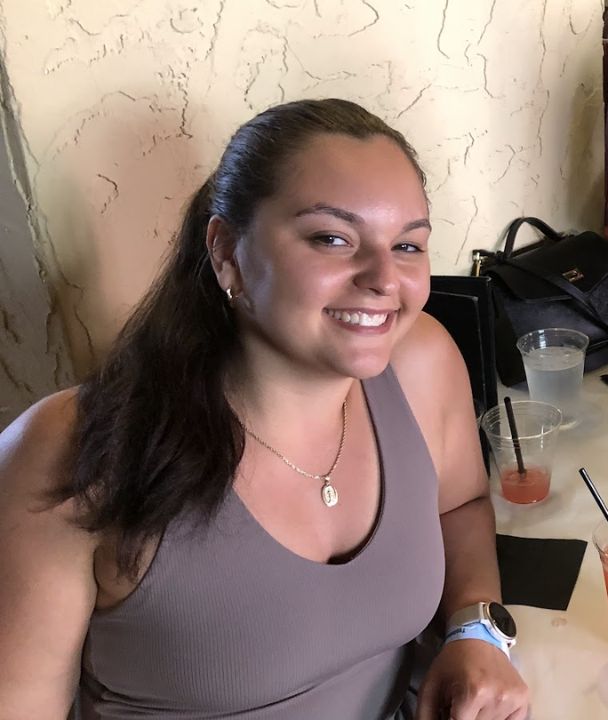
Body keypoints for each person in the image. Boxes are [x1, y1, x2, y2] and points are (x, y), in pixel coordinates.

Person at [0, 99, 529, 719]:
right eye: (332, 238)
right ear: (227, 251)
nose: (385, 278)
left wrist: (477, 631)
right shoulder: (72, 450)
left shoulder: (421, 363)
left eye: (409, 246)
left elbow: (459, 504)